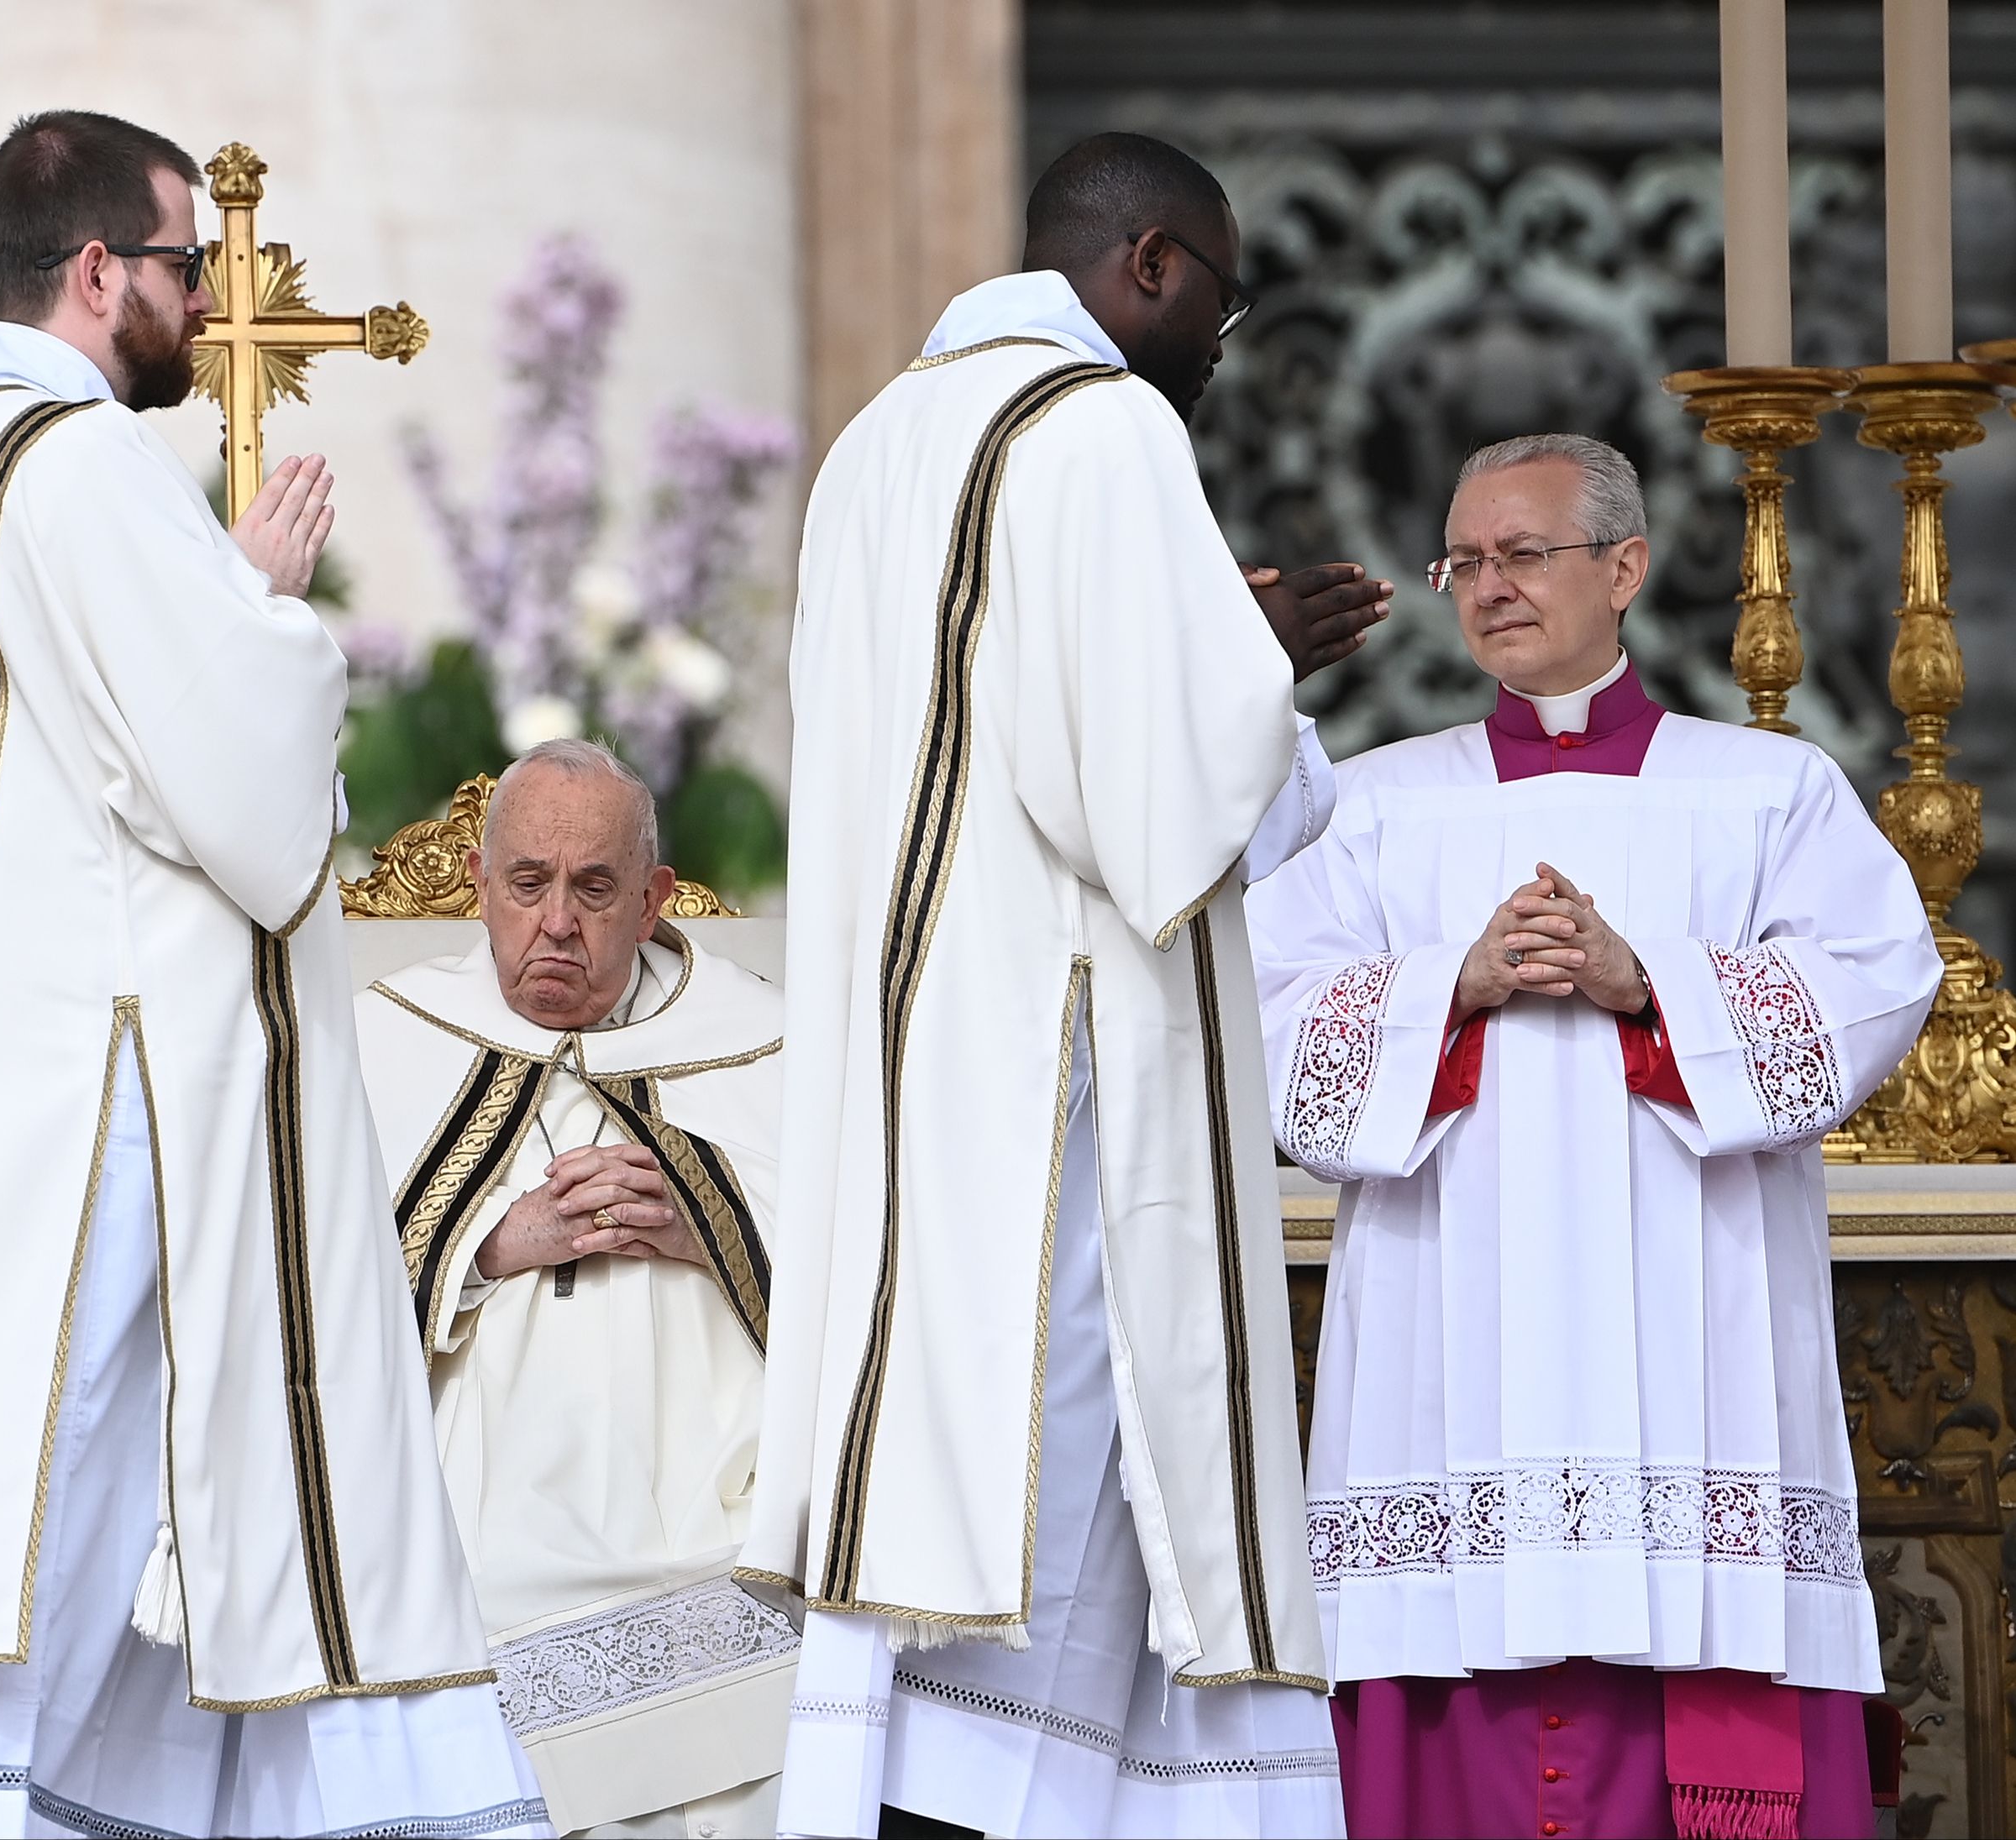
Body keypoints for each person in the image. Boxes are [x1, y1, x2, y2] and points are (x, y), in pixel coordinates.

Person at [0, 110, 546, 1838]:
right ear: (94, 274)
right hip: (90, 1114)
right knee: (75, 1509)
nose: (211, 310)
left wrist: (213, 612)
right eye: (181, 271)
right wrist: (271, 613)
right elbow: (239, 799)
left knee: (27, 1525)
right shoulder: (71, 467)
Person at [739, 130, 1363, 1838]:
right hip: (1057, 1097)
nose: (1214, 357)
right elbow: (1156, 807)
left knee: (930, 1516)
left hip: (905, 1075)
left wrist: (1206, 645)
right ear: (1149, 263)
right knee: (1072, 1519)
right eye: (1219, 309)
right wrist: (1267, 665)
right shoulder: (1103, 431)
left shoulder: (874, 442)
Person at [1249, 432, 1938, 1839]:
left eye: (1525, 553)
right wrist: (1456, 980)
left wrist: (1646, 985)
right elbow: (1264, 1037)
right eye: (1464, 561)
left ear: (1624, 568)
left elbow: (1878, 984)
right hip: (1450, 1348)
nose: (1489, 586)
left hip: (1698, 1349)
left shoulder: (1765, 791)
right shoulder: (1368, 807)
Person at [355, 739, 790, 1837]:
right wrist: (487, 1244)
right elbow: (300, 1294)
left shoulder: (766, 1036)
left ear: (651, 901)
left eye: (595, 890)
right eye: (528, 885)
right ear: (481, 886)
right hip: (476, 1503)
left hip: (723, 1503)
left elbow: (875, 1266)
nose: (557, 922)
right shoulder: (383, 1038)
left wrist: (718, 1222)